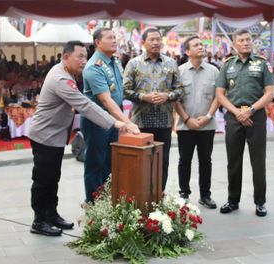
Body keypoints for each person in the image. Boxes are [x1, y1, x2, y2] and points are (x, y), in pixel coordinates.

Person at [28, 40, 128, 237]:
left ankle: (51, 214)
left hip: (55, 136)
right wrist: (114, 122)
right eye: (80, 57)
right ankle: (39, 220)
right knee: (43, 180)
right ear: (66, 57)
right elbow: (84, 105)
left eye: (85, 56)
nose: (84, 61)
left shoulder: (65, 73)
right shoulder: (61, 79)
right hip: (45, 137)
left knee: (53, 178)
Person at [215, 29, 274, 217]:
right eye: (241, 40)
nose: (245, 43)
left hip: (255, 115)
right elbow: (219, 94)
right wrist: (236, 112)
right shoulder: (227, 65)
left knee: (258, 161)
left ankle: (260, 202)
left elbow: (270, 93)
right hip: (234, 117)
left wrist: (250, 110)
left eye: (248, 39)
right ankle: (233, 200)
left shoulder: (262, 64)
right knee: (233, 161)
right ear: (234, 43)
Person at [82, 28, 140, 203]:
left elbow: (119, 95)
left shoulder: (114, 62)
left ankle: (106, 198)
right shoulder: (94, 67)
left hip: (113, 119)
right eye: (110, 38)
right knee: (95, 163)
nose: (115, 40)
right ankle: (93, 203)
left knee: (109, 161)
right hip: (97, 120)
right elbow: (106, 101)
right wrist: (127, 122)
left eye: (115, 37)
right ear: (98, 42)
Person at [123, 28, 183, 191]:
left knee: (162, 162)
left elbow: (180, 90)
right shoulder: (134, 63)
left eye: (158, 39)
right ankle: (139, 198)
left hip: (164, 122)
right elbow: (125, 90)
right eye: (152, 40)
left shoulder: (171, 63)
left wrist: (167, 96)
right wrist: (144, 97)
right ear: (143, 43)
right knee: (140, 161)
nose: (156, 42)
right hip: (140, 123)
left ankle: (159, 195)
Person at [174, 36, 219, 208]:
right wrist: (187, 119)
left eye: (202, 44)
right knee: (184, 160)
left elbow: (219, 96)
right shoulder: (179, 72)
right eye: (196, 45)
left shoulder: (214, 71)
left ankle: (205, 195)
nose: (201, 47)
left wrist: (208, 116)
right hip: (185, 126)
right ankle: (184, 193)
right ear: (187, 51)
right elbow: (175, 99)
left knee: (205, 160)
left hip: (207, 125)